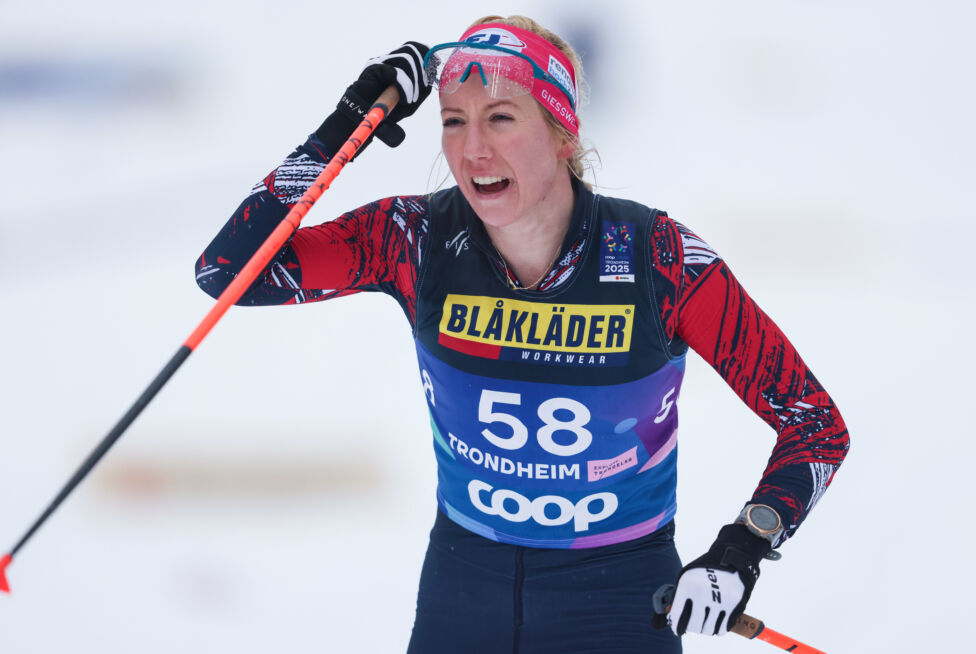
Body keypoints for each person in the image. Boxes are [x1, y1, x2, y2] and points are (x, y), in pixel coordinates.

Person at [195, 15, 850, 653]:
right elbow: (230, 272)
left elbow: (814, 424)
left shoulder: (660, 258)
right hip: (465, 586)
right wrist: (349, 122)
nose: (473, 148)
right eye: (454, 120)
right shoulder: (414, 240)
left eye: (501, 118)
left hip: (619, 596)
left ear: (563, 133)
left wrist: (740, 553)